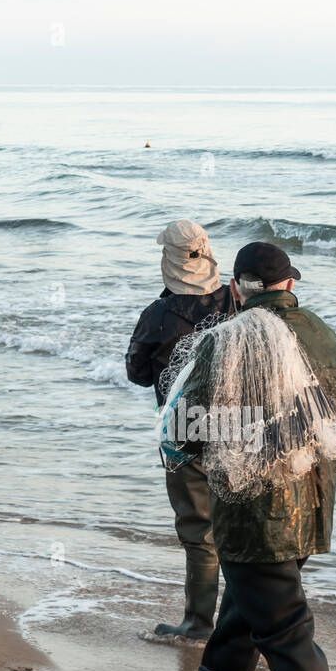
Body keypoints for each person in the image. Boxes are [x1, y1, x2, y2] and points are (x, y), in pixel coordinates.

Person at [159, 241, 336, 671]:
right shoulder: (321, 332)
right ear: (289, 284)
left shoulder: (227, 339)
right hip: (311, 504)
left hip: (254, 512)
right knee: (241, 617)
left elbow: (192, 427)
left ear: (240, 287)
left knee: (287, 632)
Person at [126, 220, 234, 639]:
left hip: (183, 427)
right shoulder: (237, 303)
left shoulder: (157, 315)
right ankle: (245, 623)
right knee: (240, 526)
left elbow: (136, 372)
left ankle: (197, 622)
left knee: (198, 529)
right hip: (240, 425)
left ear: (167, 261)